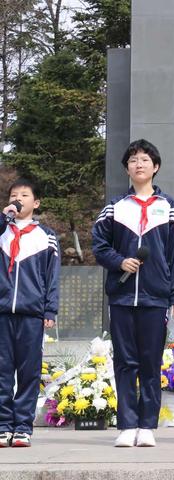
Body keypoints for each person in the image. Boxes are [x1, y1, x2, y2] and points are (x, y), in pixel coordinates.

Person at [92, 139, 174, 448]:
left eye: (145, 160)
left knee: (150, 361)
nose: (139, 164)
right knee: (124, 362)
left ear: (155, 167)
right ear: (127, 168)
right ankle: (127, 424)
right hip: (121, 297)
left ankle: (147, 424)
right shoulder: (115, 207)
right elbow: (99, 245)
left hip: (155, 297)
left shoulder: (169, 207)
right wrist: (120, 262)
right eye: (133, 160)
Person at [0, 178, 60, 448]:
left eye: (24, 195)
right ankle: (3, 425)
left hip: (32, 314)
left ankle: (23, 426)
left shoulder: (46, 236)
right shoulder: (2, 232)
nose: (18, 198)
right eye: (14, 195)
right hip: (2, 313)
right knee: (1, 370)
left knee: (28, 372)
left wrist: (50, 308)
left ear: (36, 203)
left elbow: (52, 276)